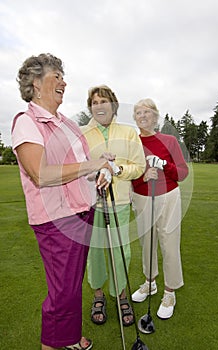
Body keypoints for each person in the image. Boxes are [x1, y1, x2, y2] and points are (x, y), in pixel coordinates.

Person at [11, 53, 113, 350]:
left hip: (82, 211)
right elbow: (40, 173)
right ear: (35, 82)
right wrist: (90, 167)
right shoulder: (26, 122)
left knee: (71, 286)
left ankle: (70, 338)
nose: (63, 82)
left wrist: (99, 170)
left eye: (62, 76)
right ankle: (55, 343)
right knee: (62, 292)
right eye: (56, 76)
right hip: (55, 219)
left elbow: (80, 164)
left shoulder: (67, 123)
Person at [80, 85, 146, 327]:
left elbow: (138, 167)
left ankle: (120, 294)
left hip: (118, 201)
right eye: (95, 102)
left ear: (113, 105)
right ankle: (98, 294)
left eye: (104, 101)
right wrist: (94, 169)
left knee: (121, 251)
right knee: (95, 251)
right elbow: (76, 167)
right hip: (90, 203)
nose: (99, 105)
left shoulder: (128, 133)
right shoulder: (82, 133)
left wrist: (115, 169)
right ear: (90, 107)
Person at [131, 98, 189, 319]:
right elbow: (130, 177)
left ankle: (170, 291)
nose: (143, 116)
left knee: (169, 242)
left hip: (169, 196)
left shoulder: (169, 140)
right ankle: (150, 282)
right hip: (142, 197)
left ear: (155, 116)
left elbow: (182, 174)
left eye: (147, 112)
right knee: (147, 244)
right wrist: (143, 176)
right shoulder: (132, 143)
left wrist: (165, 165)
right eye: (138, 113)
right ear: (135, 118)